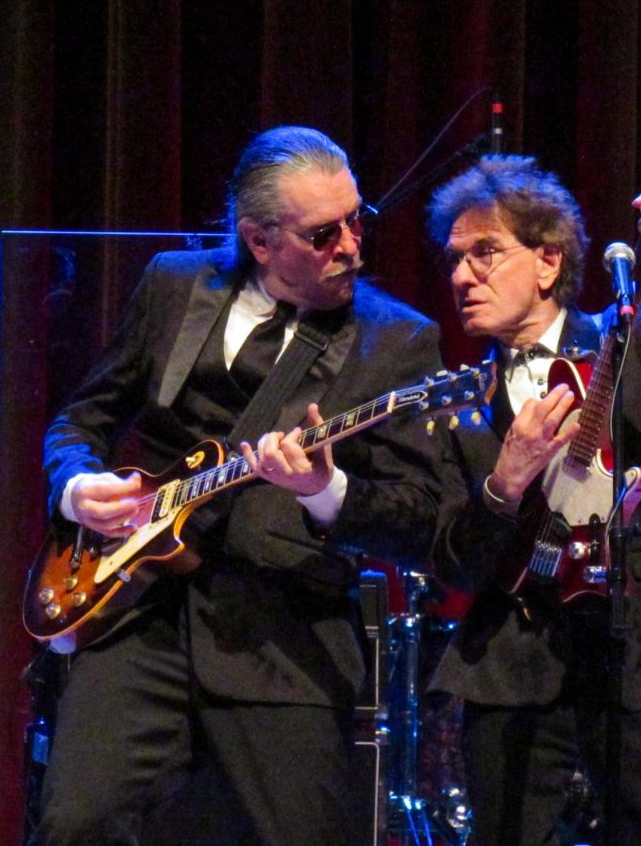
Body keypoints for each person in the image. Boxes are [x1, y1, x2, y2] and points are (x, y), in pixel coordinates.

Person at [35, 126, 447, 845]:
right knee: (76, 823)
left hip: (284, 635)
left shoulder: (398, 340)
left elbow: (418, 518)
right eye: (324, 234)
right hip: (140, 613)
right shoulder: (173, 283)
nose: (352, 245)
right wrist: (77, 488)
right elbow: (82, 418)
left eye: (359, 219)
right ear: (259, 240)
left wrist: (325, 489)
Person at [424, 154, 641, 845]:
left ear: (548, 262)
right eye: (453, 260)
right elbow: (452, 562)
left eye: (485, 253)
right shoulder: (453, 404)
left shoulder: (629, 338)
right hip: (512, 670)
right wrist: (503, 482)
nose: (461, 277)